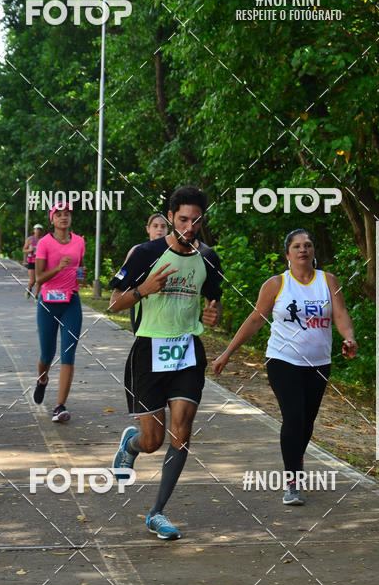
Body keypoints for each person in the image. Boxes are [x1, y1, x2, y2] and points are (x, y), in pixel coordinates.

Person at [213, 228, 358, 506]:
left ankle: (295, 459)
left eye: (308, 245)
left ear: (313, 251)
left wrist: (349, 338)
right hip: (283, 360)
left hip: (319, 363)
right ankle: (293, 482)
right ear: (287, 254)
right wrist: (228, 353)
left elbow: (340, 314)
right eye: (297, 246)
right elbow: (255, 320)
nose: (303, 250)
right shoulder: (277, 284)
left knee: (306, 421)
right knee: (293, 418)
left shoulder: (328, 281)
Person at [109, 186, 222, 541]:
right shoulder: (146, 254)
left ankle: (157, 512)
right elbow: (114, 302)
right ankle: (132, 444)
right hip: (149, 351)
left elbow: (214, 302)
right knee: (153, 441)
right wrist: (143, 290)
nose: (189, 227)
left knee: (182, 432)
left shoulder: (209, 258)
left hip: (187, 350)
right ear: (171, 217)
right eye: (183, 219)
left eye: (196, 221)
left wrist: (213, 314)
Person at [33, 203, 86, 422]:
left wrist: (81, 275)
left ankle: (60, 406)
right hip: (48, 302)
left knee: (68, 354)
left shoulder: (79, 241)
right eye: (59, 215)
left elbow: (80, 267)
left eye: (67, 214)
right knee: (47, 355)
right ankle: (42, 379)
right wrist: (58, 268)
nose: (63, 218)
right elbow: (39, 278)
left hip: (71, 301)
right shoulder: (44, 243)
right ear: (52, 219)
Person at [125, 212, 170, 332]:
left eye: (163, 226)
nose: (159, 229)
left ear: (168, 229)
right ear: (148, 229)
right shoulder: (137, 250)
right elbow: (122, 276)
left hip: (166, 305)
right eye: (155, 226)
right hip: (141, 304)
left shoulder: (174, 252)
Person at [22, 224, 44, 299]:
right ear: (34, 230)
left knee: (39, 280)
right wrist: (30, 250)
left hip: (40, 261)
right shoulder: (30, 239)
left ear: (41, 231)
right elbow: (24, 250)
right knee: (32, 281)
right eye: (36, 229)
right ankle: (29, 289)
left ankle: (36, 296)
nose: (38, 231)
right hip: (31, 261)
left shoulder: (43, 240)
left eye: (39, 229)